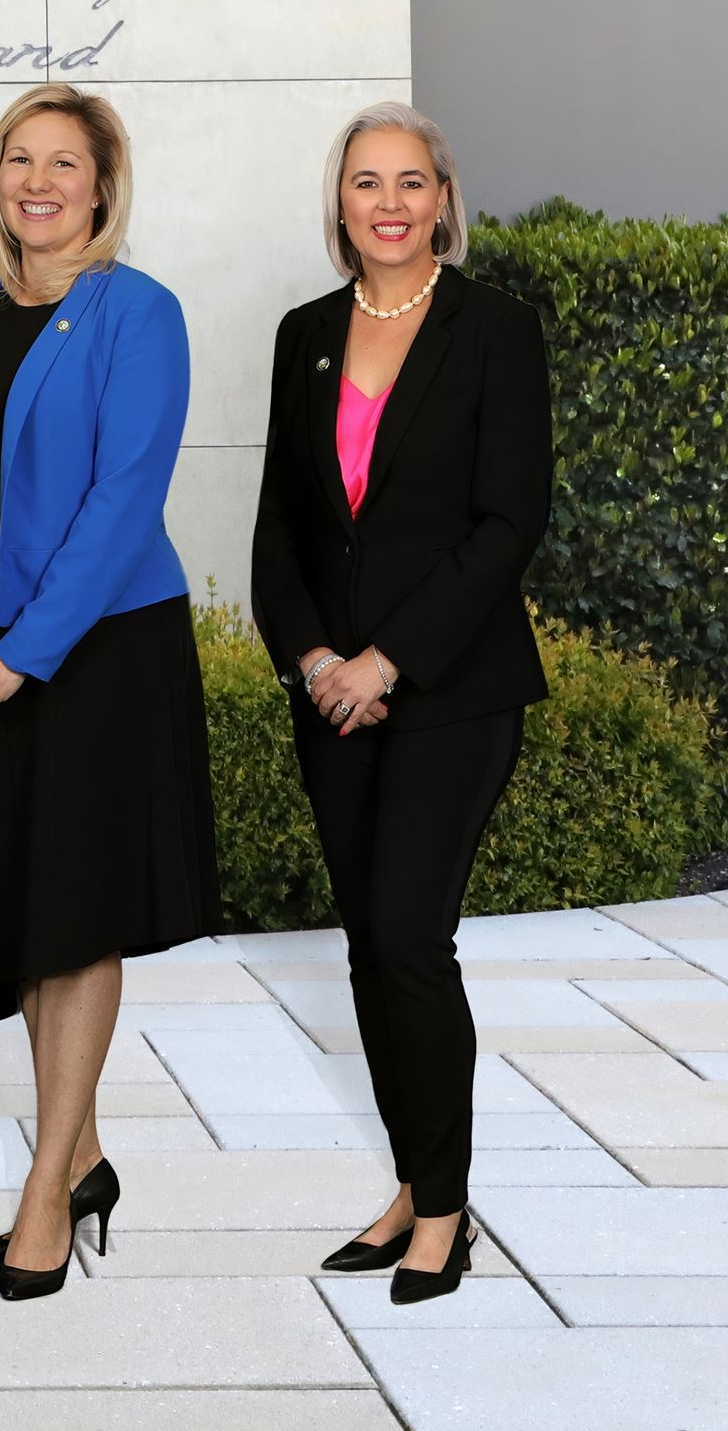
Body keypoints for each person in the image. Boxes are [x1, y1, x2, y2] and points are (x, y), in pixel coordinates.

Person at [0, 82, 220, 1303]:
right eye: (18, 160)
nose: (38, 181)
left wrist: (17, 652)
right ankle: (83, 1157)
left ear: (101, 183)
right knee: (28, 917)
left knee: (75, 918)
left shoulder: (140, 312)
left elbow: (121, 500)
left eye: (62, 163)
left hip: (98, 652)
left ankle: (44, 1189)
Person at [252, 101, 551, 1305]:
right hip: (332, 695)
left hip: (453, 689)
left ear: (444, 198)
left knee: (411, 938)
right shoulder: (304, 331)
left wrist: (388, 660)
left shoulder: (496, 329)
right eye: (366, 180)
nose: (389, 201)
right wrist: (317, 657)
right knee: (371, 948)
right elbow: (280, 521)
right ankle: (413, 1182)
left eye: (411, 181)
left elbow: (506, 522)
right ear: (342, 202)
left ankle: (445, 1213)